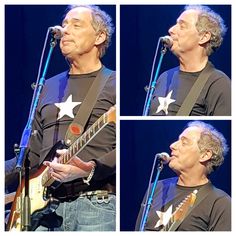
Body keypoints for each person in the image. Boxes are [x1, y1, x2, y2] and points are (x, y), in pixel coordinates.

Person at [5, 4, 116, 231]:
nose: (65, 30)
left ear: (100, 36)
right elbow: (32, 154)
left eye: (76, 25)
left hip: (95, 206)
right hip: (43, 210)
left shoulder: (116, 84)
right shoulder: (47, 87)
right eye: (64, 24)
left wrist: (89, 169)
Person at [135, 121, 231, 231]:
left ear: (205, 155)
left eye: (184, 142)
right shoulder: (156, 188)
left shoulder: (221, 203)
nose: (172, 146)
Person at [149, 5, 231, 116]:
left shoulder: (218, 83)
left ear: (203, 37)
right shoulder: (164, 77)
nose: (171, 30)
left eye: (182, 26)